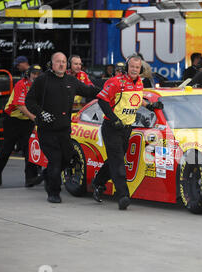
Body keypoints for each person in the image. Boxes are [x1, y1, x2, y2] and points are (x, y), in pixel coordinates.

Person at [25, 52, 100, 203]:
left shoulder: (71, 80)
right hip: (47, 129)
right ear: (51, 64)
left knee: (68, 158)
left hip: (64, 129)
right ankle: (53, 192)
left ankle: (47, 175)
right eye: (58, 62)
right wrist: (41, 113)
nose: (61, 64)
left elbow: (89, 91)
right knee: (55, 159)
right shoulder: (42, 80)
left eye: (64, 62)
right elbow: (29, 101)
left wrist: (110, 89)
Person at [91, 55, 163, 210]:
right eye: (132, 67)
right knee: (118, 162)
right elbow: (102, 100)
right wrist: (114, 118)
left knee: (114, 160)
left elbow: (136, 98)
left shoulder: (139, 83)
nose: (134, 70)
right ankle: (123, 196)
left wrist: (149, 105)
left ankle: (98, 183)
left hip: (126, 129)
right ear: (126, 67)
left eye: (137, 67)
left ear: (141, 69)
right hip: (111, 127)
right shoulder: (116, 82)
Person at [0, 65, 44, 188]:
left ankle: (30, 178)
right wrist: (35, 118)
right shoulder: (21, 84)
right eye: (34, 73)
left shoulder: (41, 87)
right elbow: (20, 106)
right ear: (28, 74)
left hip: (28, 121)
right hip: (12, 119)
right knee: (7, 148)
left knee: (29, 149)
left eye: (38, 74)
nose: (36, 76)